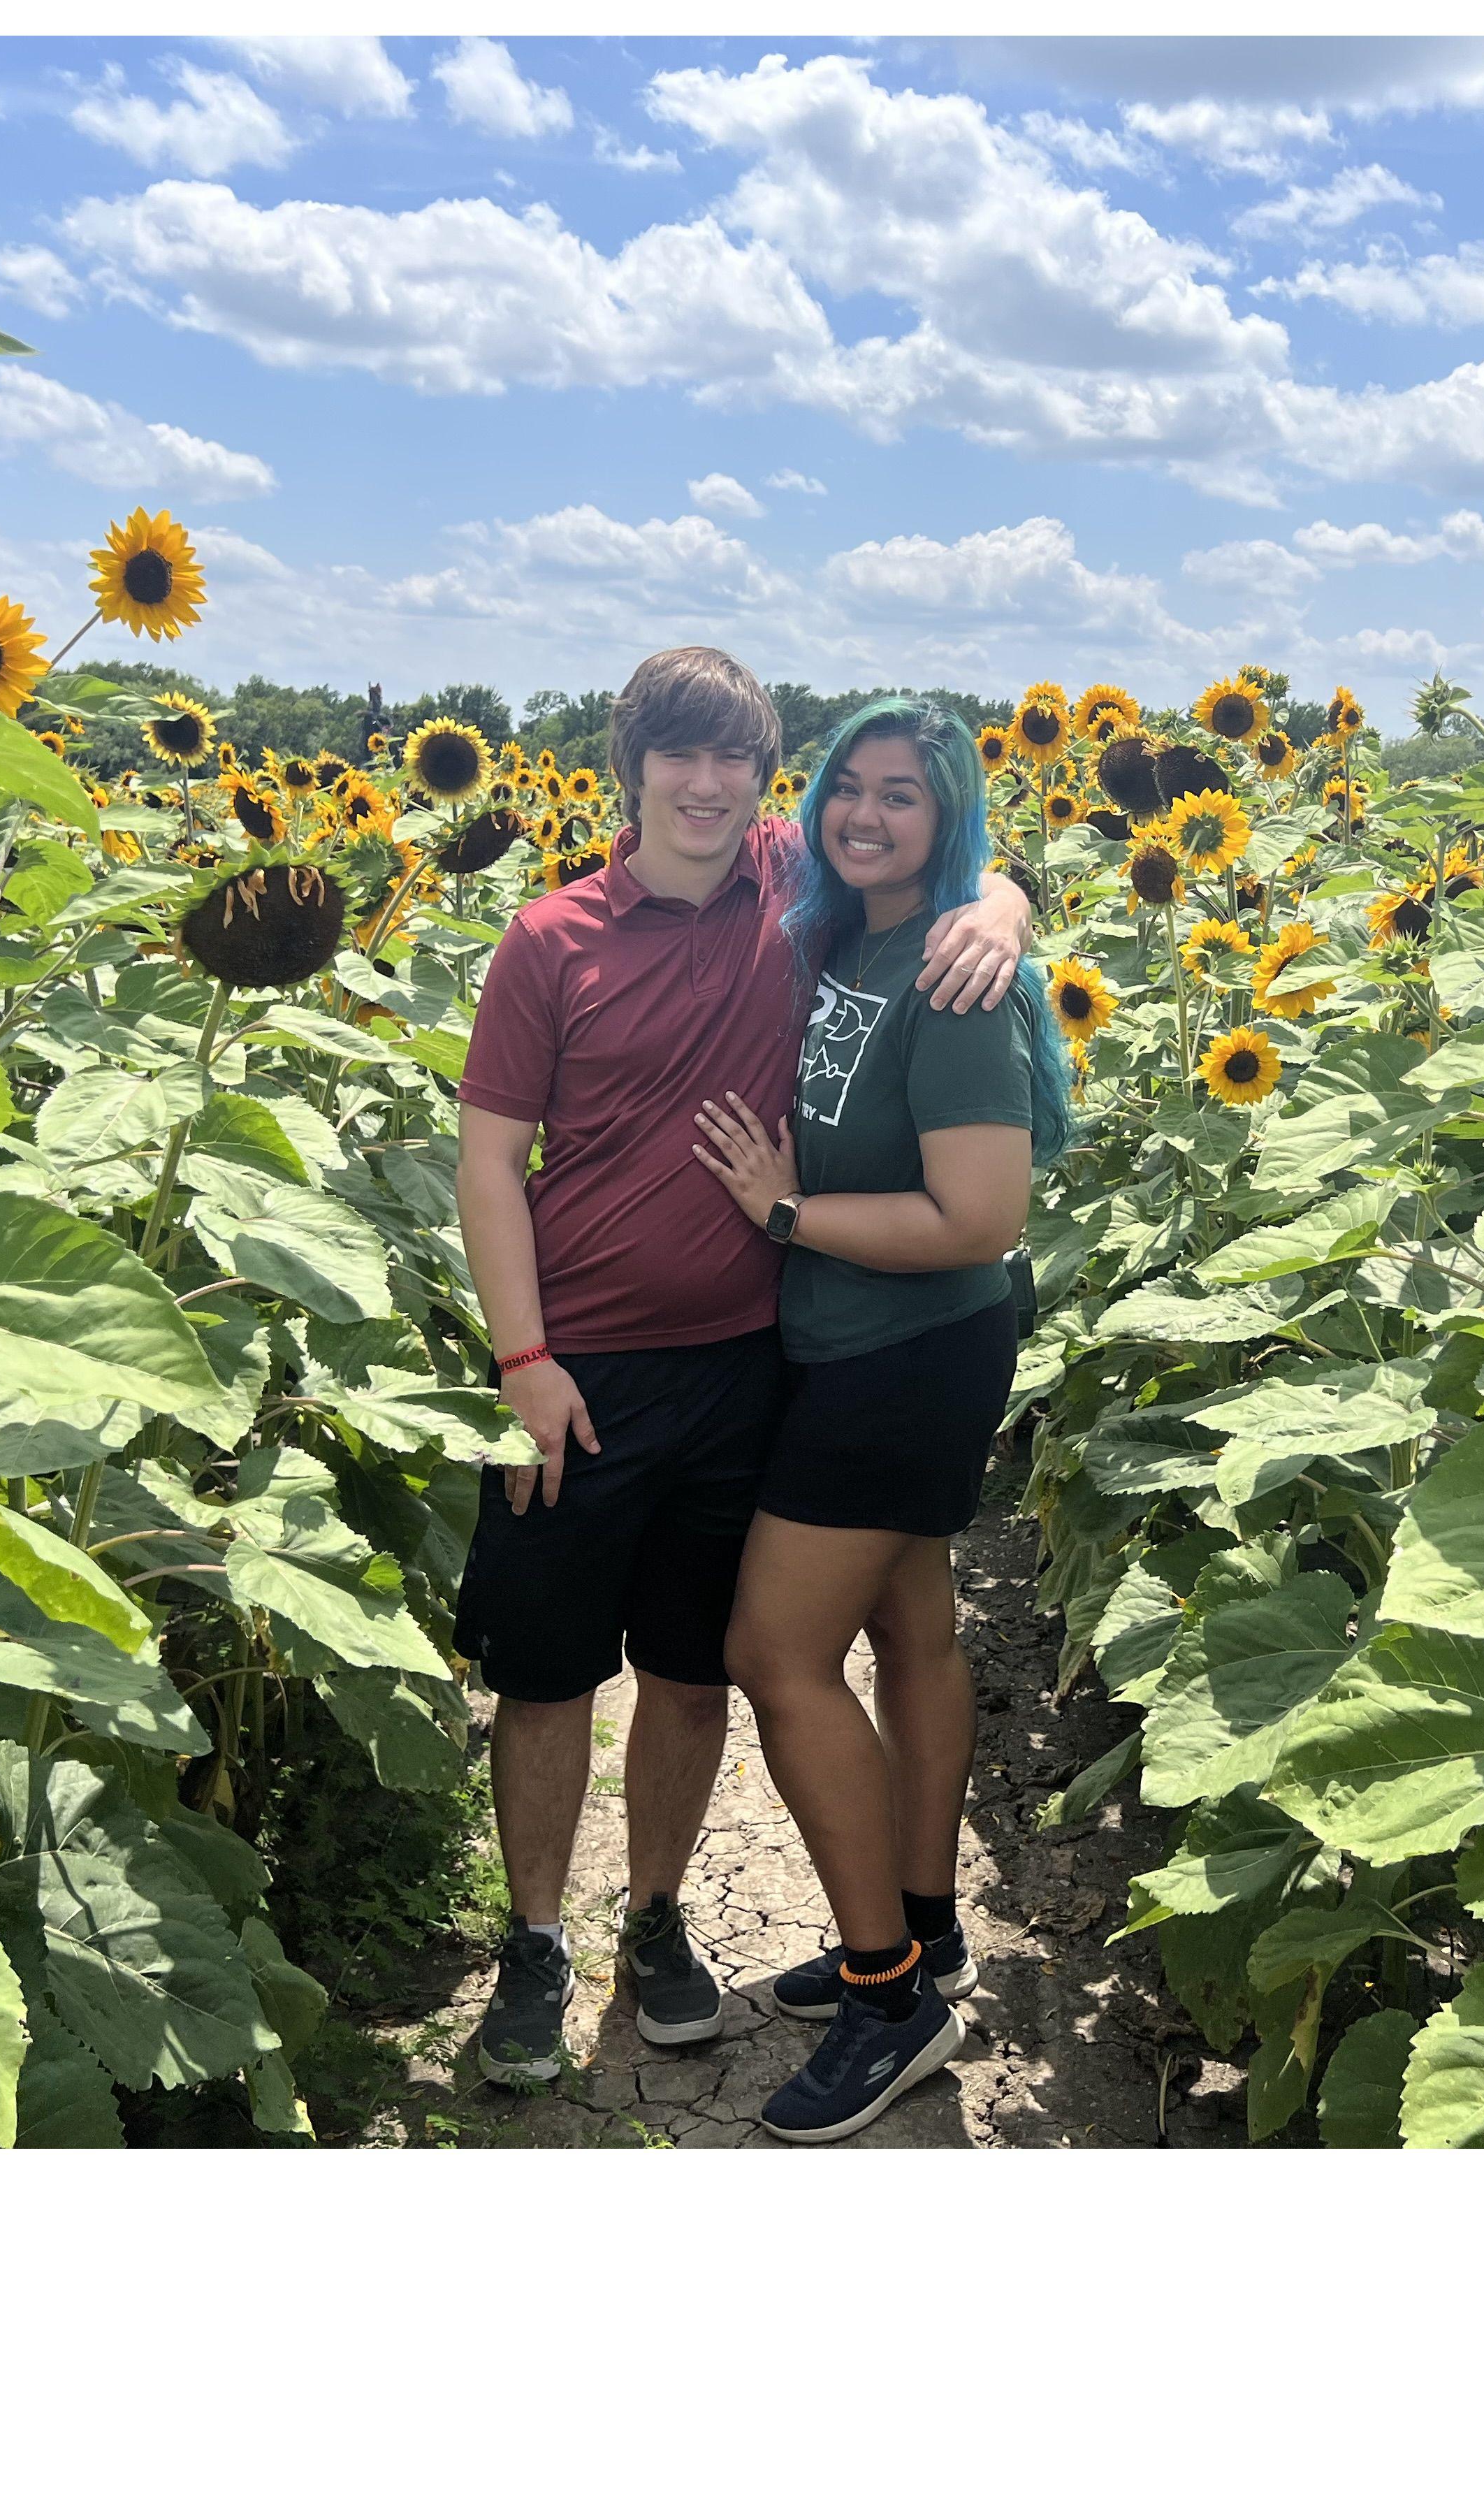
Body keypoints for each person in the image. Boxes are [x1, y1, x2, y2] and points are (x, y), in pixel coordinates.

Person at [452, 647, 1034, 2090]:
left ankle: (654, 1922)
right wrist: (521, 1357)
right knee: (544, 1676)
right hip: (575, 1367)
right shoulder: (551, 940)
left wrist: (1004, 910)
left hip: (748, 1365)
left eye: (735, 763)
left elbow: (945, 836)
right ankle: (535, 1941)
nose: (709, 788)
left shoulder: (795, 882)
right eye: (680, 758)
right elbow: (485, 1162)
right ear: (631, 767)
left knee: (694, 1667)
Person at [690, 695, 1070, 2143]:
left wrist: (783, 1211)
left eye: (904, 796)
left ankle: (887, 1996)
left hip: (908, 1350)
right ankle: (927, 1929)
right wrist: (1008, 892)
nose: (865, 815)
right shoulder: (845, 924)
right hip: (851, 1339)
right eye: (847, 786)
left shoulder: (960, 980)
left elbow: (979, 1218)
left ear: (948, 813)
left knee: (773, 1652)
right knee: (911, 1630)